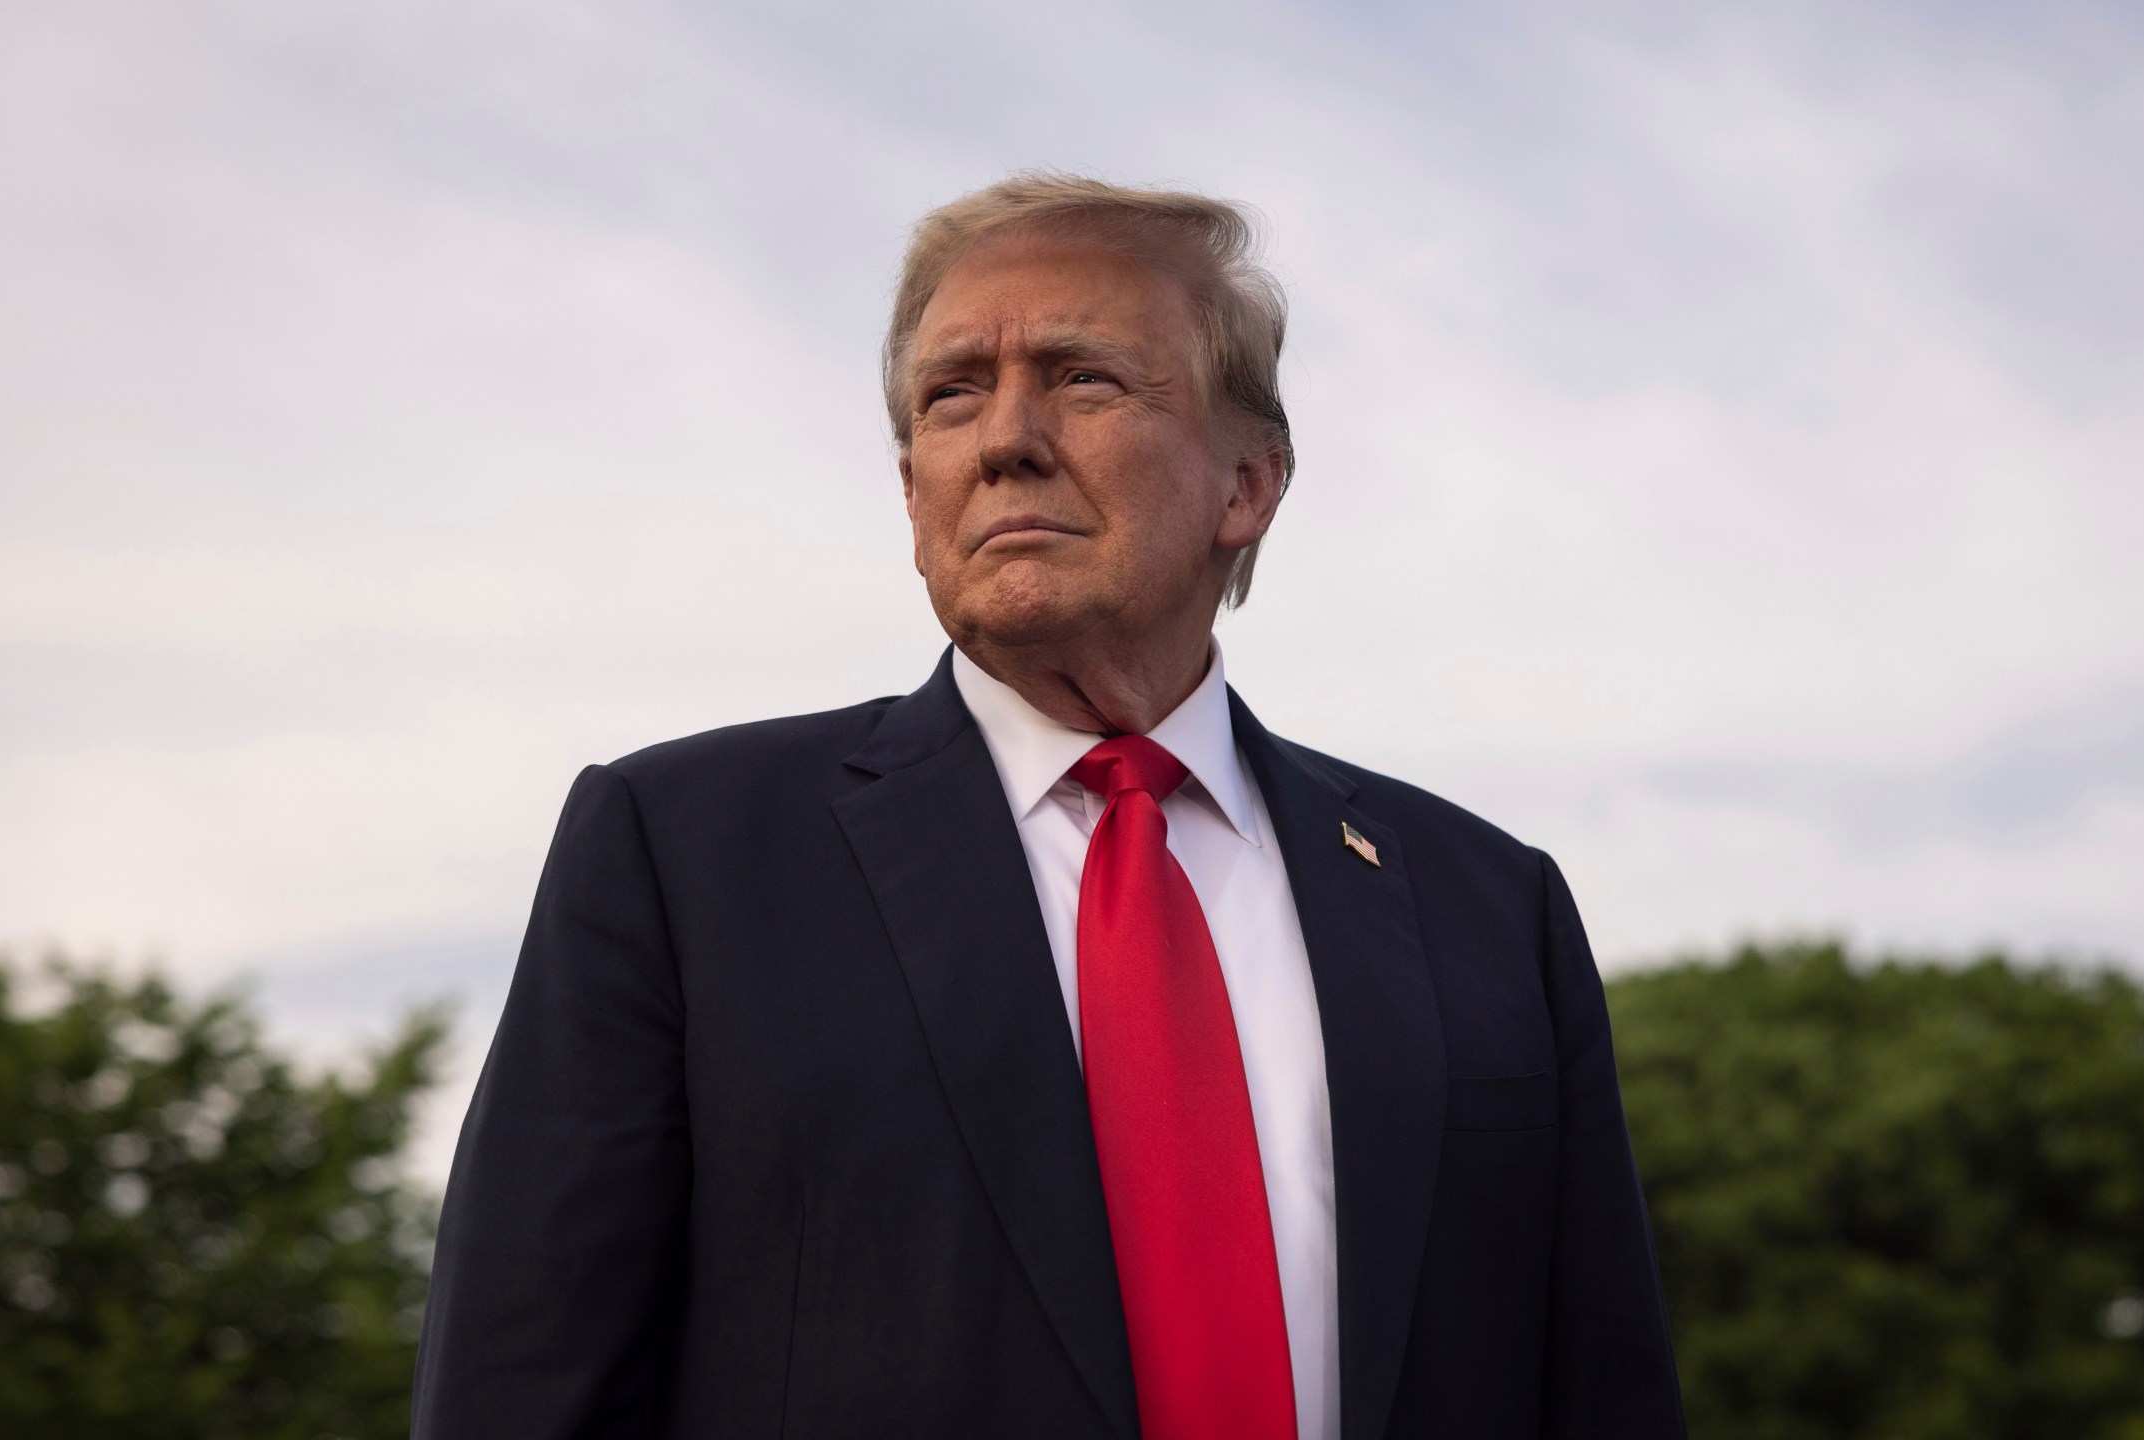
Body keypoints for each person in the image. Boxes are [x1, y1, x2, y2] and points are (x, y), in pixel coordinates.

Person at [413, 174, 1686, 1440]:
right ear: (915, 497)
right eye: (951, 394)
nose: (1005, 438)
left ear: (1247, 485)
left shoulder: (1488, 905)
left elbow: (1601, 1391)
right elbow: (521, 1390)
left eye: (1082, 378)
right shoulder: (681, 853)